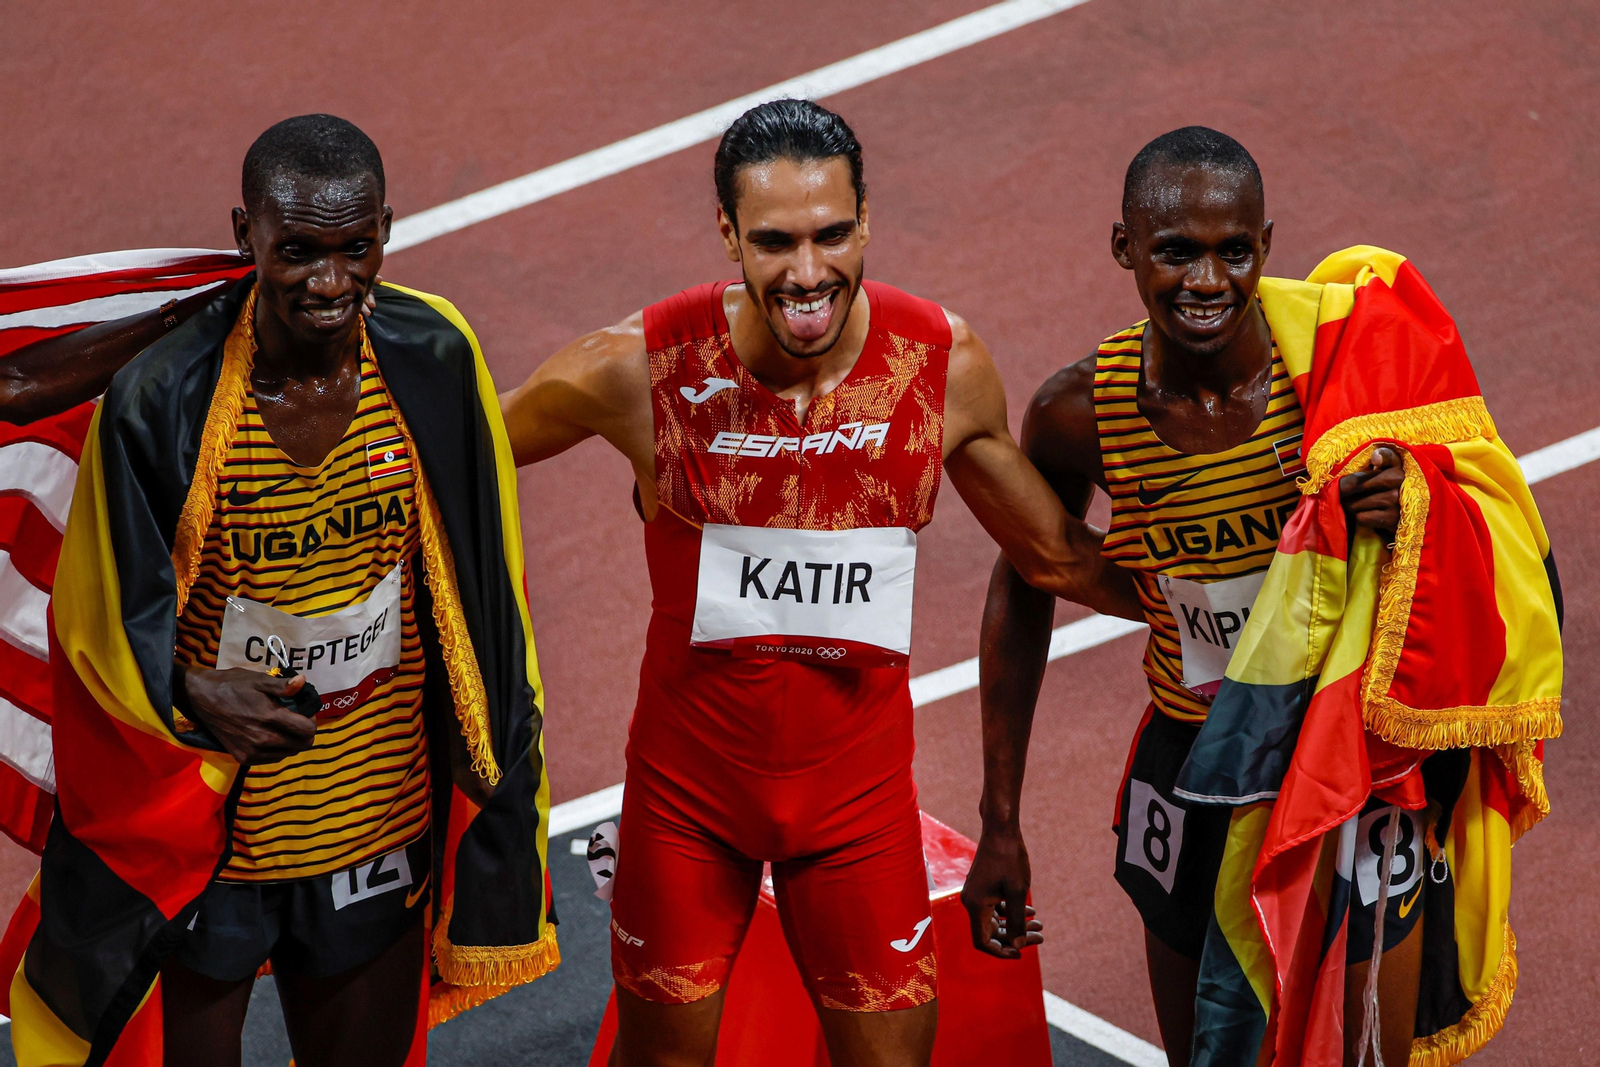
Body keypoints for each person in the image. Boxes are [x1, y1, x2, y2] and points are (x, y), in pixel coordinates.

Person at [496, 98, 1135, 1067]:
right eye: (774, 241)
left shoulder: (938, 365)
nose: (807, 273)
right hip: (684, 802)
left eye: (832, 234)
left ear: (866, 219)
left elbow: (1057, 558)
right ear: (726, 235)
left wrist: (1244, 585)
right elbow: (450, 450)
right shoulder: (638, 370)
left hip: (856, 810)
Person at [961, 127, 1562, 1066]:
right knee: (1209, 1049)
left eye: (1232, 251)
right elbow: (1030, 576)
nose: (1207, 282)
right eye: (1175, 252)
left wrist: (1408, 498)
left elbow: (1494, 511)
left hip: (1346, 770)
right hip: (1193, 757)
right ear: (1124, 247)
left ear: (1266, 245)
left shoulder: (1335, 379)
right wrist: (1001, 818)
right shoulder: (1080, 411)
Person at [4, 114, 556, 1067]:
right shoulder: (165, 399)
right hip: (216, 838)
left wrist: (493, 749)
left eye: (355, 249)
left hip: (378, 815)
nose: (330, 282)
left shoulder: (433, 358)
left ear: (387, 229)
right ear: (244, 233)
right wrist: (189, 688)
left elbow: (483, 581)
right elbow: (101, 616)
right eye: (296, 251)